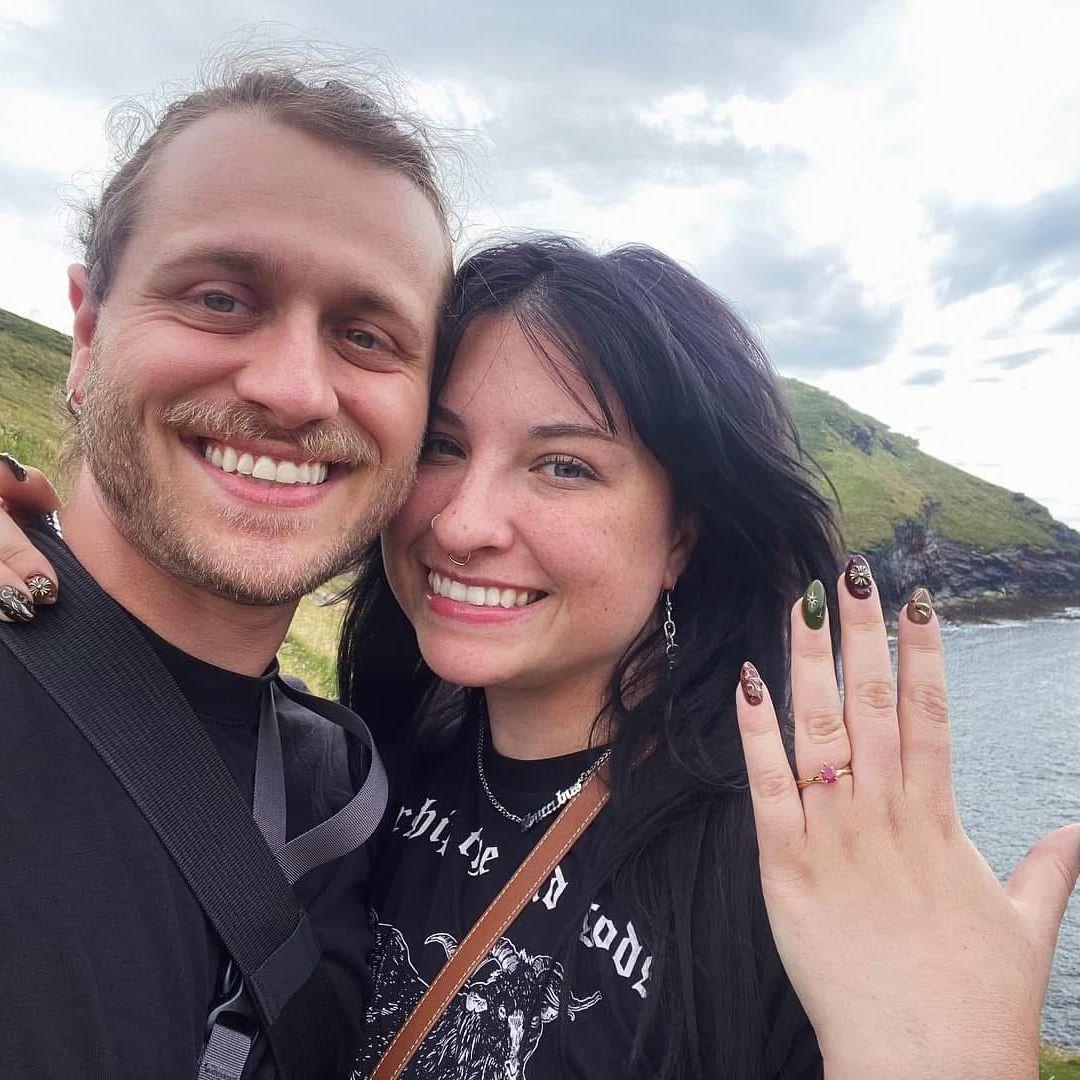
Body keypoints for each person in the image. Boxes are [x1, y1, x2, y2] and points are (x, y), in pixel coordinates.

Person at [1, 115, 1077, 1080]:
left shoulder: (789, 860)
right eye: (442, 446)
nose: (465, 521)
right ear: (88, 330)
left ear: (682, 538)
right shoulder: (358, 764)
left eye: (564, 466)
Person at [0, 58, 451, 1079]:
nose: (295, 391)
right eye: (218, 297)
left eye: (368, 336)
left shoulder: (354, 789)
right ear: (85, 330)